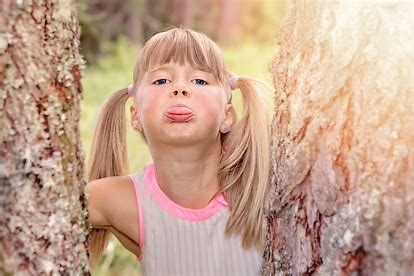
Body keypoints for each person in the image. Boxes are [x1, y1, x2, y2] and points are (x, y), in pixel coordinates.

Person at [86, 26, 271, 275]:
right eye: (162, 80)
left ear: (227, 116)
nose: (180, 89)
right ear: (136, 116)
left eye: (199, 80)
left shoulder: (259, 186)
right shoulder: (122, 201)